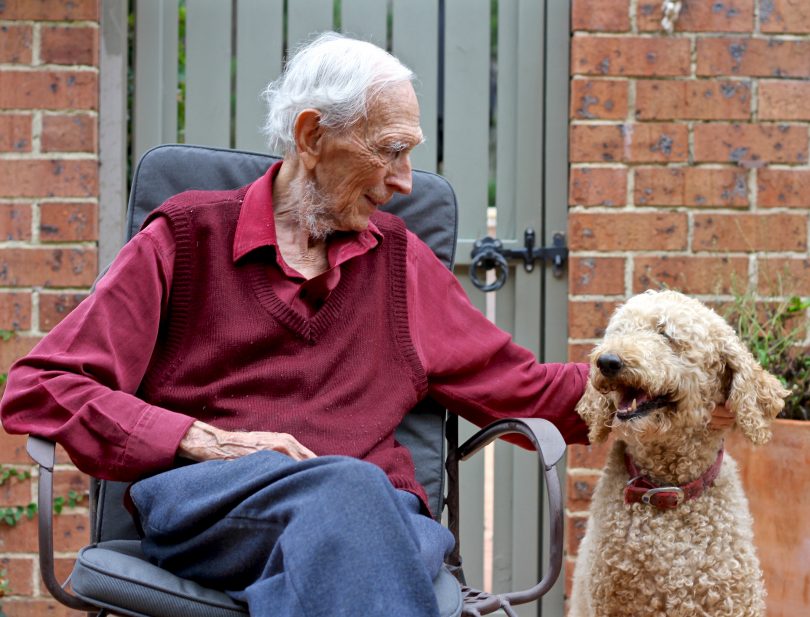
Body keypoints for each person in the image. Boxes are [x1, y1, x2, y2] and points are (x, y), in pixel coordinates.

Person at [0, 34, 592, 616]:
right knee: (352, 497)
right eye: (390, 150)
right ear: (312, 136)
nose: (406, 180)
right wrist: (207, 441)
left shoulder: (402, 264)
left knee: (357, 517)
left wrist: (657, 384)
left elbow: (527, 388)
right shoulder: (184, 240)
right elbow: (43, 387)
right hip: (217, 510)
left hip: (376, 521)